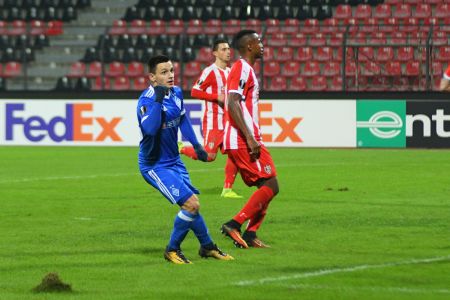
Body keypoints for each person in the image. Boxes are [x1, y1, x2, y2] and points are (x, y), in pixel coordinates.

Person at [137, 55, 233, 264]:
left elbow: (183, 120)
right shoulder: (146, 101)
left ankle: (207, 247)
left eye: (171, 70)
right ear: (152, 77)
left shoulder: (177, 93)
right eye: (164, 72)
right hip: (154, 164)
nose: (170, 75)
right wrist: (159, 99)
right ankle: (172, 249)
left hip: (174, 161)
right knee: (191, 204)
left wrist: (196, 145)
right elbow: (150, 129)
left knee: (192, 205)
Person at [220, 30, 280, 249]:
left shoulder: (248, 70)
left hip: (246, 137)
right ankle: (234, 224)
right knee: (271, 185)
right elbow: (233, 102)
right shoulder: (241, 67)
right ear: (249, 46)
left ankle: (251, 233)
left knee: (268, 184)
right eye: (258, 42)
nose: (262, 45)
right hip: (242, 138)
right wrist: (249, 137)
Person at [179, 39, 243, 199]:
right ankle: (180, 149)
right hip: (214, 121)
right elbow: (194, 91)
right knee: (209, 157)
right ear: (215, 53)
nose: (228, 52)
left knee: (235, 153)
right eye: (223, 49)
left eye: (228, 49)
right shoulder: (210, 72)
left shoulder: (231, 72)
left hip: (230, 121)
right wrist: (216, 97)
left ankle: (227, 189)